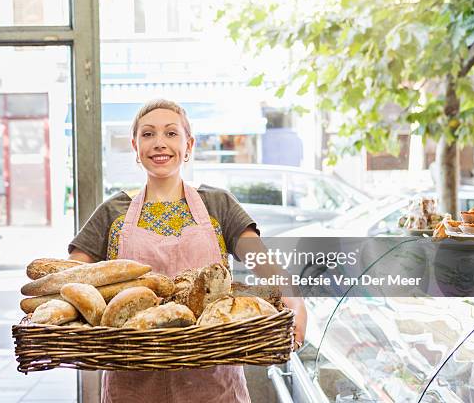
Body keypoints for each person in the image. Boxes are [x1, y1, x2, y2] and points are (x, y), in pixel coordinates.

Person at [68, 99, 306, 403]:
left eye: (171, 133)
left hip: (214, 385)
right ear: (135, 146)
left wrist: (294, 299)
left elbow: (263, 263)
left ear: (188, 144)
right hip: (133, 385)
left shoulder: (218, 204)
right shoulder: (112, 212)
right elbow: (72, 279)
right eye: (148, 134)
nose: (159, 143)